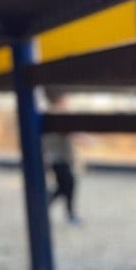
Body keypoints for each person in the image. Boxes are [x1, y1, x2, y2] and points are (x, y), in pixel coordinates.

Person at [42, 89, 81, 225]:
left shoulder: (49, 114)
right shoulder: (58, 115)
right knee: (66, 185)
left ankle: (68, 213)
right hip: (58, 157)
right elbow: (69, 132)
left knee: (66, 185)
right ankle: (47, 204)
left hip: (57, 156)